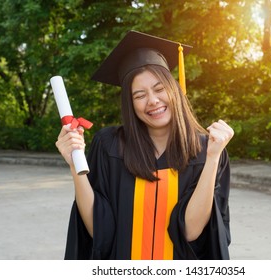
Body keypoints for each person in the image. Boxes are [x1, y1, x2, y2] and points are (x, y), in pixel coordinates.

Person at [55, 30, 234, 260]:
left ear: (174, 90)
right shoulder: (110, 146)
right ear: (130, 104)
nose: (153, 101)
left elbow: (191, 232)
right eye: (139, 95)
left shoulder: (206, 149)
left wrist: (211, 159)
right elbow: (96, 230)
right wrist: (74, 164)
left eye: (159, 89)